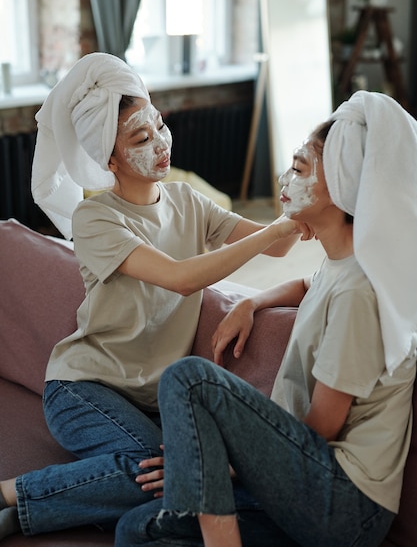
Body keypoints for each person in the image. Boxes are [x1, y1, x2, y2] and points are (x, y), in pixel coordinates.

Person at [0, 52, 312, 540]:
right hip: (82, 389)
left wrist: (300, 193)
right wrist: (274, 230)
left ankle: (40, 500)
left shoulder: (188, 201)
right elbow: (182, 278)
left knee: (172, 476)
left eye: (160, 126)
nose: (161, 144)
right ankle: (13, 501)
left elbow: (285, 245)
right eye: (141, 138)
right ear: (109, 159)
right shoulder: (97, 220)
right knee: (166, 472)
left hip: (147, 403)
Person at [114, 90, 417, 547]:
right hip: (308, 486)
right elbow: (304, 286)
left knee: (190, 380)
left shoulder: (360, 289)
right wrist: (250, 304)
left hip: (343, 502)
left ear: (342, 183)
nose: (284, 177)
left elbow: (324, 426)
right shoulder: (340, 265)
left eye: (298, 169)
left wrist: (227, 460)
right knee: (136, 531)